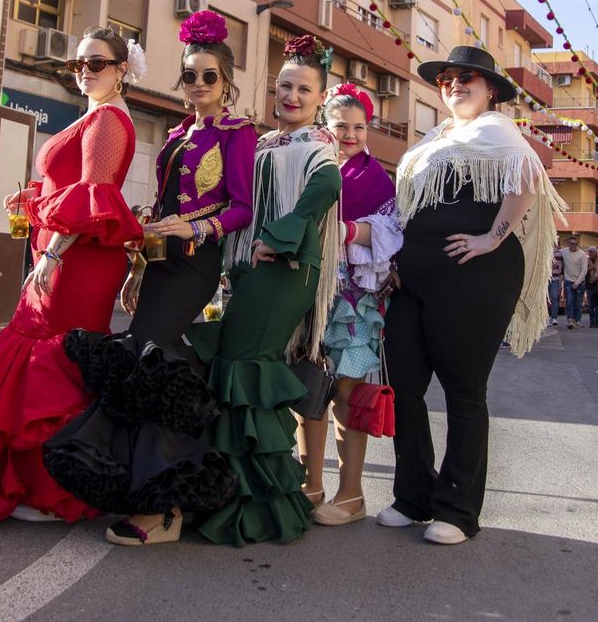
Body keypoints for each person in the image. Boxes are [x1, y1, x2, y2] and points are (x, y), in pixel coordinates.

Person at [44, 10, 256, 547]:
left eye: (209, 76)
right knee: (146, 360)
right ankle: (144, 494)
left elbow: (242, 207)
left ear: (226, 82)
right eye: (190, 75)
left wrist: (196, 226)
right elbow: (162, 203)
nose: (199, 84)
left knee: (151, 357)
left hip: (195, 262)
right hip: (159, 260)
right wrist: (138, 265)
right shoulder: (178, 136)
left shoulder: (237, 133)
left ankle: (167, 509)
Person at [0, 27, 144, 522]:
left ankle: (51, 492)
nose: (84, 73)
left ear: (121, 69)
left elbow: (95, 195)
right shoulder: (94, 115)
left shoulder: (108, 120)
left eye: (96, 64)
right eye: (78, 65)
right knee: (40, 358)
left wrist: (53, 255)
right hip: (64, 254)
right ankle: (30, 482)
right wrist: (35, 198)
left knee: (55, 364)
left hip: (75, 262)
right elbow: (69, 187)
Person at [379, 46, 564, 545]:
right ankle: (411, 496)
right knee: (404, 387)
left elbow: (527, 179)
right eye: (447, 80)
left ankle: (458, 510)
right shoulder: (436, 137)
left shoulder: (497, 130)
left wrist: (491, 237)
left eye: (467, 79)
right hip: (413, 279)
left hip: (474, 277)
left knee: (463, 391)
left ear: (490, 92)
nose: (455, 85)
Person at [191, 34, 341, 547]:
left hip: (287, 266)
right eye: (284, 86)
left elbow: (324, 191)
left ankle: (248, 506)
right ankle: (253, 497)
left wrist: (280, 237)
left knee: (242, 367)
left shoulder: (320, 146)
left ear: (321, 98)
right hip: (248, 268)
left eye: (304, 89)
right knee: (243, 369)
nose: (291, 96)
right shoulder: (262, 143)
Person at [301, 82, 402, 527]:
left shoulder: (375, 178)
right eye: (342, 125)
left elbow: (387, 235)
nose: (351, 135)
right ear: (326, 125)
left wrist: (343, 231)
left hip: (353, 297)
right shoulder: (310, 163)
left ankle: (351, 493)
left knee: (346, 389)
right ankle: (311, 485)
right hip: (306, 288)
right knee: (307, 386)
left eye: (359, 127)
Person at [560, 234, 588, 329]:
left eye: (576, 244)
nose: (574, 245)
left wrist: (577, 282)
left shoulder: (582, 254)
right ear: (568, 244)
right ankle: (570, 319)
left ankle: (578, 320)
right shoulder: (564, 252)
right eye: (572, 244)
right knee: (569, 301)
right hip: (568, 280)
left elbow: (584, 270)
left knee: (578, 302)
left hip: (580, 282)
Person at [548, 240, 567, 328]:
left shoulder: (560, 254)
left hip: (555, 278)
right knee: (545, 299)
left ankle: (553, 317)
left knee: (554, 297)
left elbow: (563, 267)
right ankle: (546, 318)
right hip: (545, 278)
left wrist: (561, 279)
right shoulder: (545, 251)